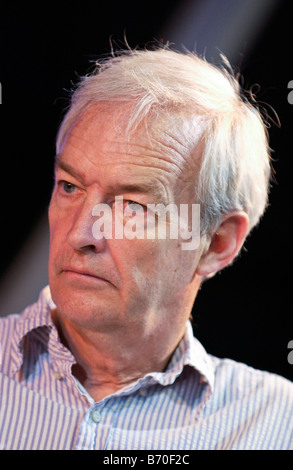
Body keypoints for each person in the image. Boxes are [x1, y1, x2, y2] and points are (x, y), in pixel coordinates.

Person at [0, 46, 292, 451]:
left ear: (216, 243)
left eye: (133, 206)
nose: (80, 234)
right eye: (70, 187)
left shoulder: (275, 424)